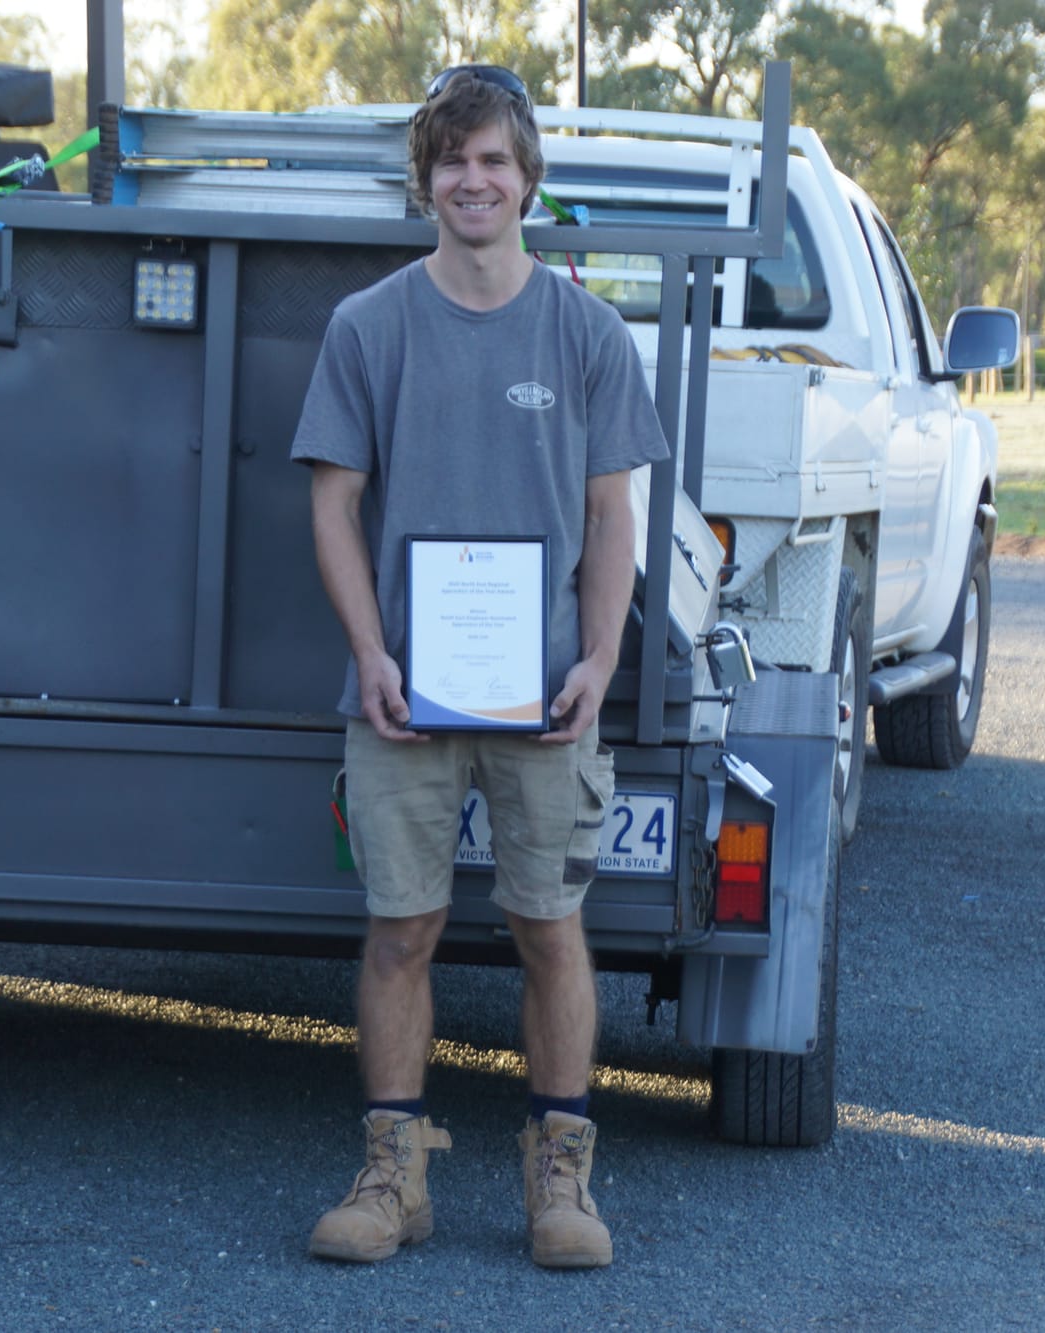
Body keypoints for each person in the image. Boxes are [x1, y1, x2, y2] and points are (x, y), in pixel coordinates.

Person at [288, 65, 670, 1270]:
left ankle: (560, 1181)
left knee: (549, 928)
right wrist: (371, 654)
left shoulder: (585, 333)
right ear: (425, 181)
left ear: (526, 179)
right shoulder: (367, 328)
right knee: (400, 929)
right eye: (452, 160)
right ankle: (391, 1175)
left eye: (494, 159)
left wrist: (598, 659)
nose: (473, 179)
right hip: (402, 697)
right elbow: (332, 506)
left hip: (545, 697)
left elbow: (610, 517)